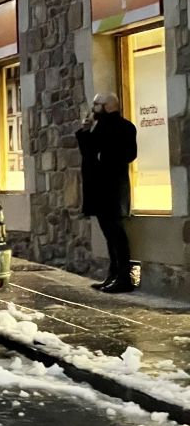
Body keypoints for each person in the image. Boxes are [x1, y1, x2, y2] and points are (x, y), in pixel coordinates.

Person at [76, 93, 138, 293]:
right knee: (109, 233)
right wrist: (85, 131)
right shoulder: (98, 126)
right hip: (98, 187)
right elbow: (88, 153)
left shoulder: (123, 127)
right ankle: (113, 274)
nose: (93, 107)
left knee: (116, 233)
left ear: (109, 106)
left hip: (112, 187)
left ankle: (123, 277)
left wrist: (105, 156)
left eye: (97, 104)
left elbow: (128, 154)